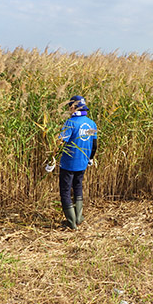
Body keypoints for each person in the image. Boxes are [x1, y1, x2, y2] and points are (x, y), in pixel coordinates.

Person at [56, 95, 98, 229]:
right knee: (78, 186)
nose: (69, 109)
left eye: (70, 107)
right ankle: (79, 217)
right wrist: (90, 158)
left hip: (69, 163)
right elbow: (94, 143)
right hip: (83, 162)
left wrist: (52, 159)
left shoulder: (71, 123)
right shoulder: (91, 123)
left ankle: (71, 222)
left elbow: (60, 142)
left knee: (65, 191)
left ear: (74, 107)